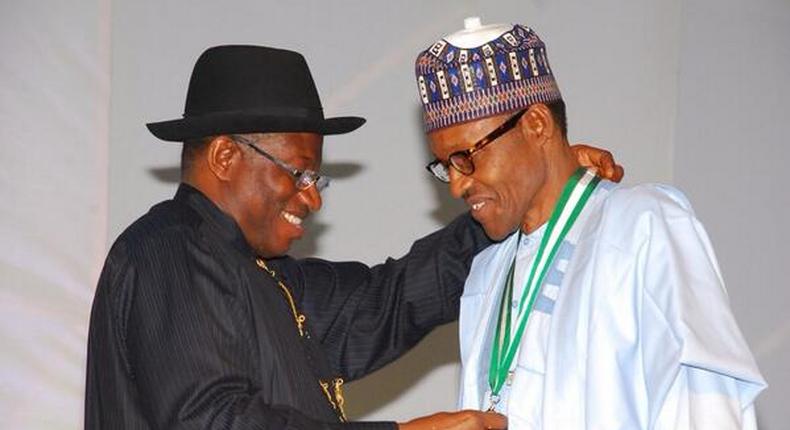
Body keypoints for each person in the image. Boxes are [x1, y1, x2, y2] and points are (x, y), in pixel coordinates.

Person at [85, 45, 618, 429]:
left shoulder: (270, 279)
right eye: (299, 174)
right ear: (225, 157)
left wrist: (519, 192)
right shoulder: (167, 250)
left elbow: (392, 299)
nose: (312, 199)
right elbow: (212, 420)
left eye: (316, 179)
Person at [414, 18, 766, 429]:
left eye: (466, 158)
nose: (456, 185)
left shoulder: (644, 227)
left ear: (536, 125)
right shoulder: (488, 273)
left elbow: (705, 403)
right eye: (445, 167)